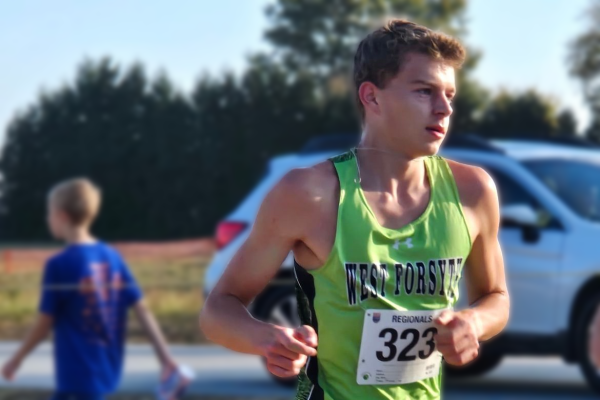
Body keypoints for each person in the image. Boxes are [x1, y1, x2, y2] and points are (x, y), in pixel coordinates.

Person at [200, 19, 509, 400]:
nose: (444, 108)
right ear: (372, 97)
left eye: (449, 94)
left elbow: (496, 297)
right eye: (424, 91)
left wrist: (474, 322)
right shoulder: (308, 194)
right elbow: (218, 309)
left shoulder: (473, 191)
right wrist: (265, 338)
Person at [1, 178, 177, 400]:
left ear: (62, 216)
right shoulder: (114, 258)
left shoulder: (58, 264)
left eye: (49, 213)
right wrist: (165, 358)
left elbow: (43, 325)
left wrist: (16, 360)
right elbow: (143, 310)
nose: (47, 219)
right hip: (104, 371)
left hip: (76, 376)